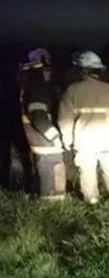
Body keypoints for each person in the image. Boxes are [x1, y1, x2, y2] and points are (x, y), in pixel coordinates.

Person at [58, 50, 109, 204]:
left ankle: (91, 199)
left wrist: (67, 139)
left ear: (82, 70)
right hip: (108, 139)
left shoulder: (72, 90)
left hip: (84, 140)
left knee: (87, 171)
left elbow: (65, 118)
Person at [18, 48, 67, 199]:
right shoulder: (37, 87)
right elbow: (38, 115)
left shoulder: (31, 84)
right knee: (51, 167)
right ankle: (50, 204)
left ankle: (44, 198)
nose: (50, 73)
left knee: (45, 168)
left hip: (37, 137)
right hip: (43, 138)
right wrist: (54, 136)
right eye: (48, 69)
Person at [0, 46, 34, 191]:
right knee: (23, 152)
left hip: (6, 119)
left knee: (4, 155)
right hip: (12, 117)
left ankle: (4, 184)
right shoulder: (11, 78)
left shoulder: (9, 78)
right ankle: (29, 180)